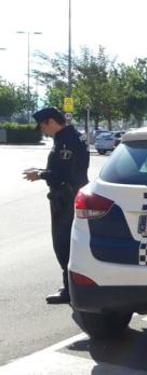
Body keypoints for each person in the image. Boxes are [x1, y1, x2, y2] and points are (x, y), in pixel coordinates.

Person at [23, 107, 90, 304]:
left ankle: (70, 290)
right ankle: (72, 286)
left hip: (66, 197)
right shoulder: (72, 137)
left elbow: (62, 174)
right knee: (70, 242)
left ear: (50, 121)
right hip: (71, 194)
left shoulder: (65, 141)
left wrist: (40, 175)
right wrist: (42, 170)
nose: (43, 131)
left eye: (43, 126)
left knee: (63, 244)